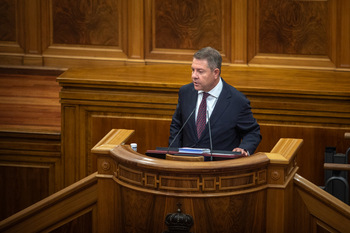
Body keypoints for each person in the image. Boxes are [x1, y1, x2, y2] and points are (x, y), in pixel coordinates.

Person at [169, 47, 261, 157]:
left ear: (215, 73)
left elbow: (252, 132)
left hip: (219, 168)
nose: (194, 76)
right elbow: (177, 125)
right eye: (193, 70)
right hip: (187, 165)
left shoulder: (237, 100)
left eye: (200, 71)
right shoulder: (185, 92)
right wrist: (173, 154)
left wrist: (243, 148)